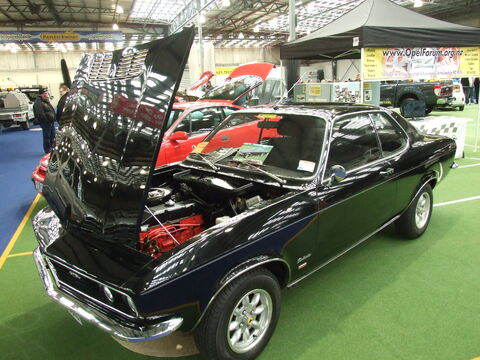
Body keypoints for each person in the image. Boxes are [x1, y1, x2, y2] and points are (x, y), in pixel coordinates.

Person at [33, 88, 56, 154]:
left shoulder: (45, 101)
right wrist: (47, 120)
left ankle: (53, 149)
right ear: (41, 94)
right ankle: (48, 150)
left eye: (46, 93)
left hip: (50, 122)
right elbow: (40, 114)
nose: (46, 94)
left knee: (52, 136)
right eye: (45, 93)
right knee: (47, 136)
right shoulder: (38, 102)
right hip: (46, 123)